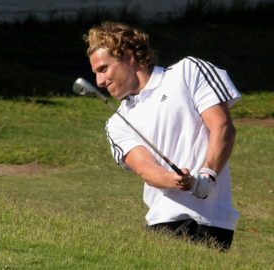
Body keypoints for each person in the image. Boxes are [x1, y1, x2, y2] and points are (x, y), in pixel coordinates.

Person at [83, 22, 240, 251]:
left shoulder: (189, 71)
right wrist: (176, 180)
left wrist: (207, 175)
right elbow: (145, 168)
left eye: (103, 69)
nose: (99, 81)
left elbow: (223, 126)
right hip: (165, 222)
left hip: (217, 223)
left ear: (128, 57)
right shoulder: (117, 123)